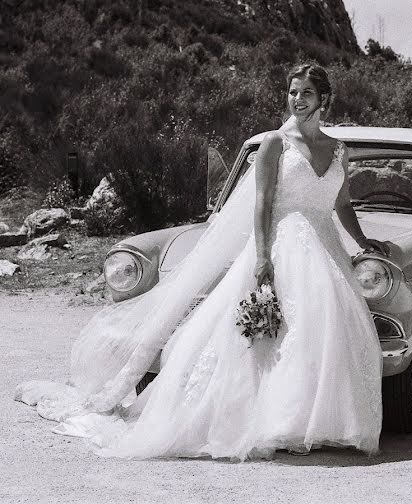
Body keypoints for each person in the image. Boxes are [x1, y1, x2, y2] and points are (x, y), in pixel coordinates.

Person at [15, 63, 390, 460]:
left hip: (325, 248)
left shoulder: (336, 150)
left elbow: (343, 204)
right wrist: (263, 256)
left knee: (321, 331)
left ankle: (317, 421)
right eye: (293, 92)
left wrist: (364, 242)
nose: (298, 100)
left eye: (307, 93)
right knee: (269, 337)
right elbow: (262, 204)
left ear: (324, 99)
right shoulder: (274, 145)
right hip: (281, 245)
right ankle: (269, 422)